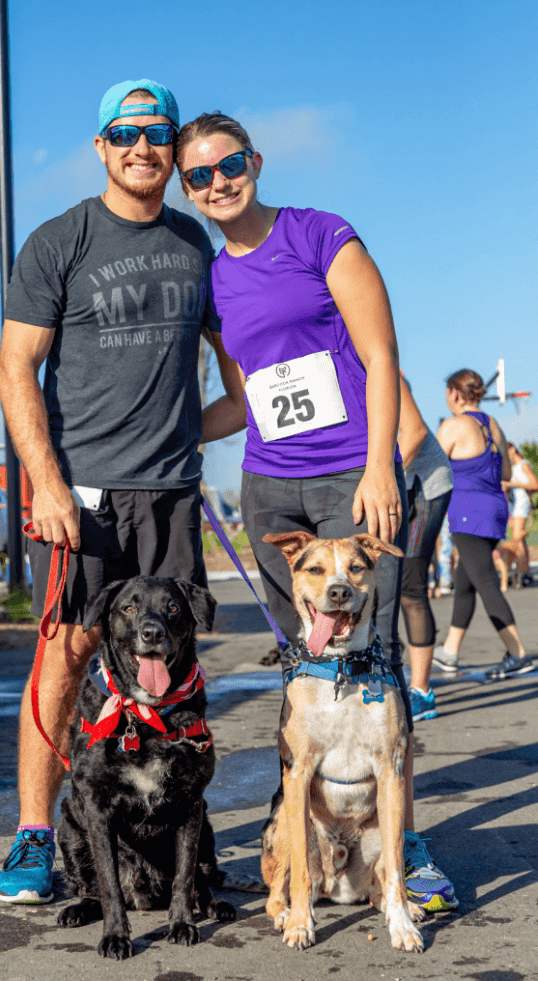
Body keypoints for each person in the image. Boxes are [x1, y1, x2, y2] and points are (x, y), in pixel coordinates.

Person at [177, 111, 457, 912]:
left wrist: (379, 468)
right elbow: (242, 400)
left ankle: (402, 842)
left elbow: (379, 355)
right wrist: (163, 442)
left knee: (368, 660)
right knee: (308, 661)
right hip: (269, 485)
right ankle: (303, 826)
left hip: (345, 475)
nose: (216, 183)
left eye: (227, 165)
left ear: (253, 161)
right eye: (196, 176)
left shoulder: (318, 234)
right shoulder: (212, 278)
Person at [0, 81, 242, 904]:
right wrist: (46, 482)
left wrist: (193, 432)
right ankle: (36, 834)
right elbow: (14, 370)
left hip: (170, 493)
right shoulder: (59, 241)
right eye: (124, 132)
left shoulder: (192, 244)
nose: (142, 146)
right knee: (66, 656)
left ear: (173, 150)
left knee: (172, 659)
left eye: (157, 133)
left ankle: (172, 835)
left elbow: (237, 369)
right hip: (82, 494)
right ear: (100, 147)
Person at [433, 369, 532, 679]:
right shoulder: (493, 425)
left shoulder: (453, 426)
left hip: (467, 512)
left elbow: (430, 468)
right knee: (466, 583)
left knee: (486, 582)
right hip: (495, 509)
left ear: (453, 393)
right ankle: (449, 650)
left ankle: (517, 653)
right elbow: (504, 472)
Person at [397, 376, 453, 721]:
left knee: (410, 587)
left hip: (425, 484)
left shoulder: (386, 369)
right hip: (398, 484)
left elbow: (414, 432)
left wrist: (377, 475)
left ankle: (422, 692)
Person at [505, 441, 537, 585]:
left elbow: (535, 485)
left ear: (512, 449)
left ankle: (522, 572)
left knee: (517, 537)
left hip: (522, 504)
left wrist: (513, 484)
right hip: (514, 505)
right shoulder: (513, 467)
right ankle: (525, 572)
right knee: (520, 539)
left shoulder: (523, 464)